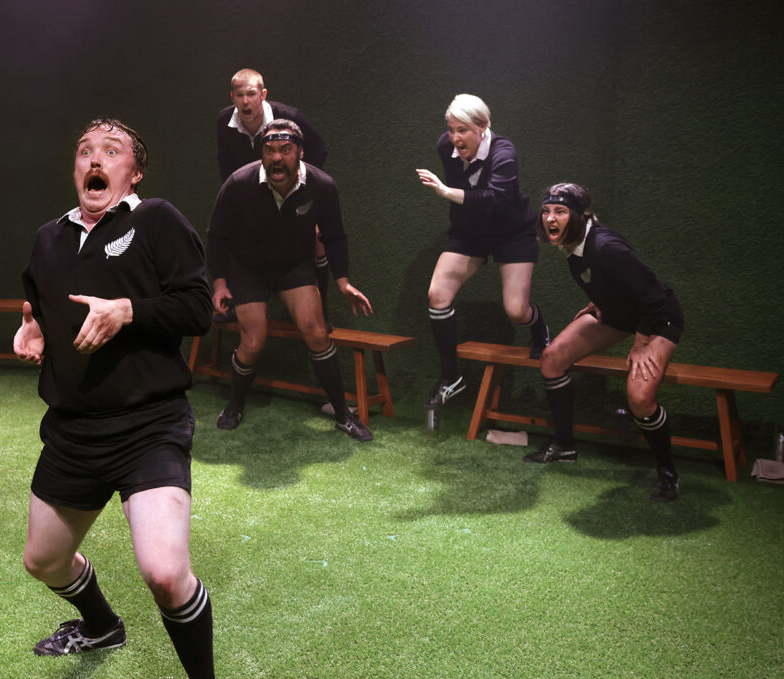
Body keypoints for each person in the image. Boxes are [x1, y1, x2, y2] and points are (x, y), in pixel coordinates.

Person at [13, 119, 224, 679]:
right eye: (84, 151)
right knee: (43, 562)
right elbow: (35, 299)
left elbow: (197, 308)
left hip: (148, 425)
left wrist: (127, 310)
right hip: (73, 431)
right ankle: (101, 624)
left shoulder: (156, 220)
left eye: (112, 151)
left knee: (164, 572)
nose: (94, 159)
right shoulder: (49, 238)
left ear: (134, 174)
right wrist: (31, 330)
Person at [207, 119, 375, 441]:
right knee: (253, 341)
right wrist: (220, 284)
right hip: (247, 267)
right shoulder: (239, 183)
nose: (276, 157)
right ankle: (234, 405)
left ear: (300, 152)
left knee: (316, 331)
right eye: (269, 150)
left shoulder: (321, 185)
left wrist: (343, 282)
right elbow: (216, 236)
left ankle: (343, 415)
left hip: (293, 266)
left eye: (285, 150)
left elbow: (335, 236)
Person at [525, 183, 684, 502]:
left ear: (579, 215)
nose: (550, 218)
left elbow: (652, 295)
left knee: (639, 397)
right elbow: (601, 280)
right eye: (546, 211)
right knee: (552, 358)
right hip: (617, 313)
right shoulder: (573, 245)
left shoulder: (606, 246)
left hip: (658, 318)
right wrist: (598, 301)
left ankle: (668, 473)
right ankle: (565, 446)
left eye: (560, 211)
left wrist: (640, 344)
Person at [415, 93, 549, 410]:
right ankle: (451, 378)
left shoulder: (504, 152)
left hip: (511, 231)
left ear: (483, 126)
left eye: (462, 130)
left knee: (516, 310)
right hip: (470, 231)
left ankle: (538, 326)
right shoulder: (445, 147)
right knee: (437, 294)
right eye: (450, 129)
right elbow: (471, 195)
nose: (454, 138)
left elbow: (494, 200)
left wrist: (445, 192)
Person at [215, 69, 334, 332]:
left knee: (317, 238)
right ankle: (238, 304)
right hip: (253, 193)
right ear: (232, 96)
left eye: (251, 94)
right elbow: (226, 166)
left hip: (292, 190)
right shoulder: (225, 121)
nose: (245, 101)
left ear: (263, 95)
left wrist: (299, 183)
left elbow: (319, 149)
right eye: (239, 95)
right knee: (235, 233)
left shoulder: (289, 117)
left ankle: (322, 311)